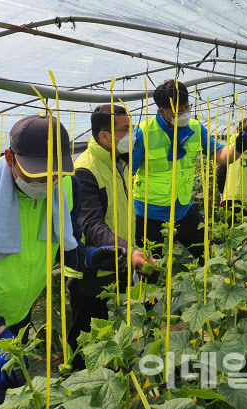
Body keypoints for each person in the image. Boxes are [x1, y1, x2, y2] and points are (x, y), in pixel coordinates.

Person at [0, 115, 124, 408]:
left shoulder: (68, 187)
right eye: (38, 174)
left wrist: (93, 257)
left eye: (56, 172)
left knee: (19, 397)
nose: (49, 183)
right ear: (10, 158)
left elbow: (66, 247)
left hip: (18, 317)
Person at [67, 104, 153, 370]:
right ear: (105, 137)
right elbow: (91, 225)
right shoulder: (85, 171)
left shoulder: (119, 161)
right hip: (92, 273)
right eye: (125, 130)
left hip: (119, 264)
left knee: (119, 343)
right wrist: (127, 250)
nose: (132, 135)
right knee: (90, 354)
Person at [130, 80, 247, 261]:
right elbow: (125, 172)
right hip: (148, 215)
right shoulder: (143, 133)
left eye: (187, 107)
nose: (186, 113)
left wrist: (239, 148)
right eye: (179, 111)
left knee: (210, 257)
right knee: (151, 271)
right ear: (162, 112)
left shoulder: (195, 128)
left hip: (183, 210)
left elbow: (222, 156)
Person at [220, 119, 247, 222]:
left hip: (231, 195)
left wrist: (222, 192)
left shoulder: (228, 151)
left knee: (232, 227)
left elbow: (220, 172)